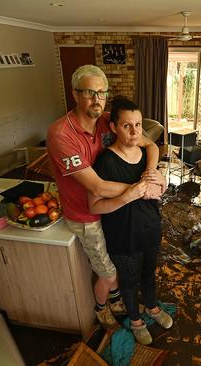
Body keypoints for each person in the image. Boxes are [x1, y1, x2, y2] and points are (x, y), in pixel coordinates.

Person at [47, 65, 165, 329]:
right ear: (75, 94)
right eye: (89, 93)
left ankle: (115, 299)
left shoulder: (106, 119)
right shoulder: (61, 135)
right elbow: (98, 187)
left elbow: (150, 144)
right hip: (86, 214)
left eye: (101, 92)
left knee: (120, 263)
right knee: (109, 272)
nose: (96, 99)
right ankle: (101, 308)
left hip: (114, 211)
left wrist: (152, 172)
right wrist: (142, 188)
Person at [88, 96, 172, 345]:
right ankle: (135, 319)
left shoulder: (147, 156)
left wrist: (162, 184)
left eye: (138, 124)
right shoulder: (105, 162)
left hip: (150, 227)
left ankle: (152, 308)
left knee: (149, 274)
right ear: (113, 127)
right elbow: (95, 205)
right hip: (123, 235)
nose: (135, 131)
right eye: (127, 125)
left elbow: (158, 190)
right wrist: (128, 196)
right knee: (128, 280)